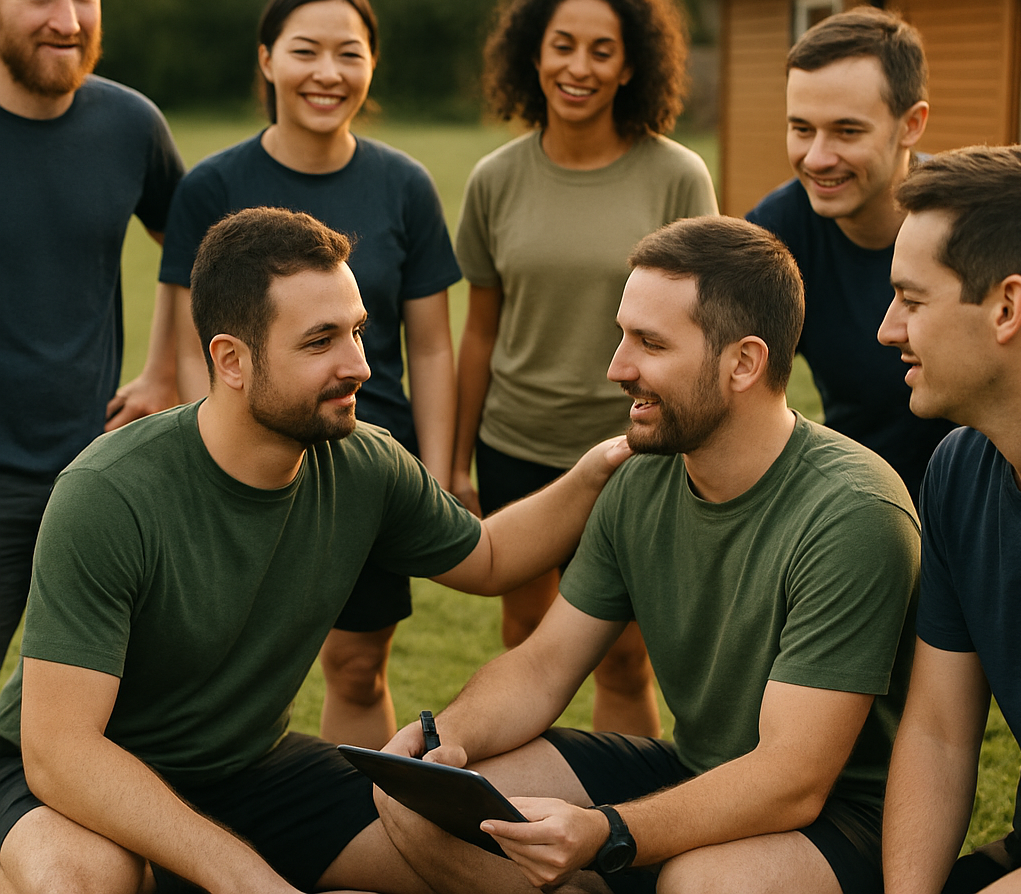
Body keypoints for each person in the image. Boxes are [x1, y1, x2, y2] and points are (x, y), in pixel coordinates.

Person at [0, 206, 630, 894]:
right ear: (231, 361)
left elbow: (487, 557)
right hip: (75, 778)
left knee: (502, 868)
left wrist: (601, 466)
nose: (359, 365)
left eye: (357, 331)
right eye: (321, 340)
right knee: (75, 880)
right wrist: (244, 876)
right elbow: (59, 752)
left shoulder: (364, 462)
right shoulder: (108, 494)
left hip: (249, 770)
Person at [378, 215, 920, 894]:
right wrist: (438, 741)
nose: (617, 368)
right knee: (422, 804)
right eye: (622, 335)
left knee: (701, 884)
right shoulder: (641, 477)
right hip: (696, 773)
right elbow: (545, 665)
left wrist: (608, 832)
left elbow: (794, 779)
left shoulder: (852, 512)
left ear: (744, 363)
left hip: (843, 819)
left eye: (650, 344)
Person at [159, 0, 460, 749]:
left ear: (372, 63)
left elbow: (430, 344)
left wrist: (437, 463)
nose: (328, 72)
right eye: (305, 51)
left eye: (349, 53)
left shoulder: (406, 186)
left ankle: (358, 836)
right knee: (220, 661)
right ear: (267, 61)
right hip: (243, 469)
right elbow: (194, 347)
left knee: (358, 667)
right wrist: (209, 465)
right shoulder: (212, 185)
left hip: (365, 457)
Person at [453, 0, 718, 737]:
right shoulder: (494, 180)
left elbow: (704, 330)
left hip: (636, 451)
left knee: (626, 655)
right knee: (526, 644)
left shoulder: (677, 177)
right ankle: (522, 822)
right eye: (563, 44)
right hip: (519, 448)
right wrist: (459, 459)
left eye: (602, 50)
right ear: (532, 52)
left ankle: (616, 841)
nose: (580, 66)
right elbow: (480, 332)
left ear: (631, 64)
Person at [0, 0, 184, 666]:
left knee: (110, 717)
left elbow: (202, 255)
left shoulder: (130, 124)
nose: (67, 21)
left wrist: (163, 373)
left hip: (98, 484)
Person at [878, 146, 1021, 894]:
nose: (886, 329)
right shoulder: (959, 472)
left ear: (1006, 308)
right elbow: (938, 733)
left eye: (912, 299)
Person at [747, 6, 952, 502]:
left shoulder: (971, 222)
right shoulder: (776, 233)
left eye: (847, 131)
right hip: (858, 502)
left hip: (980, 509)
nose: (816, 158)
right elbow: (729, 387)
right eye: (801, 128)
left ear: (911, 124)